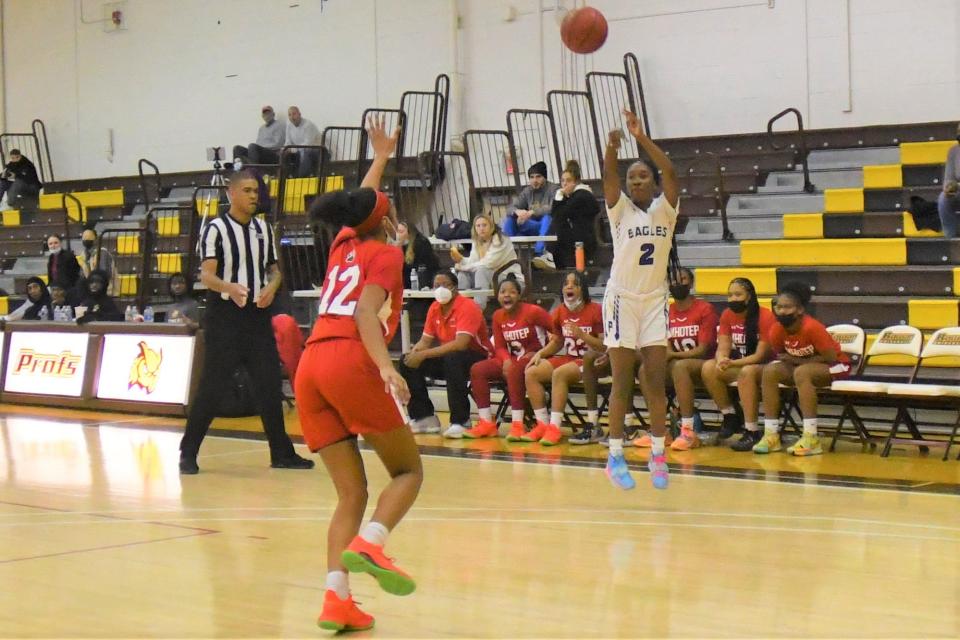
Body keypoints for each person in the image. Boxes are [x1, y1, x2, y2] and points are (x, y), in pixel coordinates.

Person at [294, 117, 422, 632]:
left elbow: (361, 200)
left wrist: (382, 156)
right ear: (386, 221)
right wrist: (389, 369)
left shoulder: (343, 243)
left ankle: (335, 600)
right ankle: (372, 544)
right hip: (350, 358)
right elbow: (367, 314)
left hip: (310, 366)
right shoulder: (386, 253)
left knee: (350, 492)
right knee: (409, 473)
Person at [178, 168, 313, 474]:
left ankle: (281, 452)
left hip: (256, 315)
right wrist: (229, 288)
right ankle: (188, 452)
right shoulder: (215, 229)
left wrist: (270, 287)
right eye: (248, 191)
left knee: (267, 384)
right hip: (225, 316)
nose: (255, 196)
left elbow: (275, 270)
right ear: (232, 193)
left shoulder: (263, 229)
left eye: (256, 191)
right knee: (212, 386)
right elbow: (207, 275)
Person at [601, 109, 680, 491]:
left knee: (655, 379)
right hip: (621, 300)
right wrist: (612, 150)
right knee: (622, 380)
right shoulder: (619, 211)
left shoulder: (666, 209)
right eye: (632, 177)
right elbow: (608, 178)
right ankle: (615, 455)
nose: (636, 181)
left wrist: (640, 137)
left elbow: (671, 172)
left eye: (642, 175)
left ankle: (659, 453)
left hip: (653, 300)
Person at [757, 282, 852, 456]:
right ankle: (771, 435)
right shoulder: (776, 330)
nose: (781, 311)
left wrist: (796, 360)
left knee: (803, 372)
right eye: (778, 307)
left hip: (837, 366)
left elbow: (830, 358)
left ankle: (811, 437)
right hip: (802, 366)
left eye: (787, 307)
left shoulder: (812, 327)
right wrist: (793, 361)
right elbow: (782, 357)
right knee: (770, 371)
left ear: (800, 309)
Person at [398, 270, 492, 438]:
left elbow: (460, 344)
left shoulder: (468, 306)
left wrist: (424, 354)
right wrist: (415, 353)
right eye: (436, 285)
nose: (440, 289)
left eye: (445, 285)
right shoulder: (434, 308)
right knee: (406, 361)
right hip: (451, 357)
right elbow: (425, 341)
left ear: (455, 288)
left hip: (477, 357)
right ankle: (424, 417)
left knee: (453, 359)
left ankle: (461, 421)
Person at [465, 275, 553, 439]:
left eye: (512, 292)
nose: (507, 295)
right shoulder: (498, 315)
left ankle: (517, 424)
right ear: (497, 296)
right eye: (503, 292)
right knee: (478, 369)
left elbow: (558, 332)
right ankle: (486, 422)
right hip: (512, 359)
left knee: (513, 369)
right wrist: (505, 359)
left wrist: (544, 352)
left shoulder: (533, 311)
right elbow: (498, 346)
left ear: (519, 296)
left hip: (534, 358)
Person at [523, 271, 605, 446]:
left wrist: (582, 335)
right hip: (569, 358)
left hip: (591, 361)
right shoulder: (559, 311)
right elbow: (558, 341)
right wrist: (541, 353)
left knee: (560, 374)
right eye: (566, 284)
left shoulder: (596, 309)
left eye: (574, 284)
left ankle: (555, 427)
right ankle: (542, 424)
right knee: (532, 372)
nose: (569, 286)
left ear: (582, 289)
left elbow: (604, 345)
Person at [700, 277, 776, 452]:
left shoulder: (765, 316)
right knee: (709, 367)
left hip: (767, 366)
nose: (733, 299)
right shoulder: (727, 314)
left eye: (738, 294)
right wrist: (721, 359)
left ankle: (752, 430)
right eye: (730, 295)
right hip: (742, 364)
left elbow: (760, 355)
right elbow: (723, 345)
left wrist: (733, 362)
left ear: (749, 296)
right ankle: (730, 416)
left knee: (746, 372)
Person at [652, 267, 719, 451]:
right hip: (678, 364)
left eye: (682, 279)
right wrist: (668, 352)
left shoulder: (705, 308)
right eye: (673, 280)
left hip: (704, 364)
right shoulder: (667, 310)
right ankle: (658, 429)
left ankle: (687, 430)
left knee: (680, 367)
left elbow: (703, 349)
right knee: (646, 370)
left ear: (691, 283)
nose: (677, 283)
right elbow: (666, 342)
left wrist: (672, 355)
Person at [450, 213, 523, 309]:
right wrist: (461, 260)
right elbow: (473, 262)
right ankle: (460, 308)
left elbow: (489, 263)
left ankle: (478, 308)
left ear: (491, 227)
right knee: (463, 274)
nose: (481, 228)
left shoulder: (501, 239)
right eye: (478, 226)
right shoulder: (477, 241)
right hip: (489, 277)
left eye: (484, 225)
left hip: (508, 278)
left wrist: (463, 266)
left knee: (481, 271)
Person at [502, 161, 558, 267]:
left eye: (538, 177)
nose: (534, 180)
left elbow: (554, 207)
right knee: (510, 219)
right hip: (530, 226)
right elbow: (510, 208)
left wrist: (532, 212)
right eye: (531, 177)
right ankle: (505, 252)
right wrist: (517, 212)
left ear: (545, 177)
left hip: (547, 228)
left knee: (547, 218)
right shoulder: (527, 191)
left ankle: (539, 253)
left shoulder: (553, 189)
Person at [547, 159, 599, 270]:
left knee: (557, 224)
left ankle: (549, 254)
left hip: (584, 241)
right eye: (562, 181)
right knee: (555, 224)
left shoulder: (581, 196)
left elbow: (558, 215)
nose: (564, 184)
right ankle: (549, 254)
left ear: (576, 182)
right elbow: (555, 215)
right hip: (577, 238)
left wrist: (559, 196)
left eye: (568, 180)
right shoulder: (574, 196)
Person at [396, 221, 439, 290]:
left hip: (423, 280)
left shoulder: (420, 243)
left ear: (410, 233)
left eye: (401, 232)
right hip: (411, 280)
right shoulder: (403, 244)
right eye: (397, 232)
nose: (398, 235)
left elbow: (420, 267)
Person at [77, 227, 117, 295]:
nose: (86, 239)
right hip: (89, 291)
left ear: (96, 239)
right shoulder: (83, 255)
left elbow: (103, 276)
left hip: (106, 292)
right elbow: (81, 276)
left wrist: (85, 269)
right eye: (84, 237)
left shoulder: (102, 253)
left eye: (89, 237)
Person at [937, 122, 960, 238]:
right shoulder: (953, 151)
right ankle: (950, 237)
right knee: (943, 199)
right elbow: (948, 179)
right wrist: (949, 188)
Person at [286, 106, 322, 178]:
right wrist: (286, 149)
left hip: (316, 151)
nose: (292, 117)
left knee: (306, 151)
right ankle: (285, 178)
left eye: (294, 114)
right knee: (284, 153)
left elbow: (308, 144)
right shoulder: (289, 126)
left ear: (299, 114)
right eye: (289, 115)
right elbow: (287, 142)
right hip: (299, 152)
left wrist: (292, 149)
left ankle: (301, 177)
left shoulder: (308, 125)